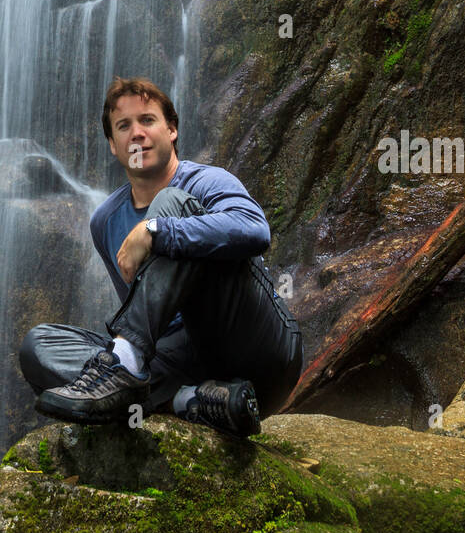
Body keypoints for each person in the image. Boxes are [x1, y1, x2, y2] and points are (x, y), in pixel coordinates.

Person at [19, 75, 303, 437]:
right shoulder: (105, 221)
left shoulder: (208, 181)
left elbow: (254, 230)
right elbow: (145, 314)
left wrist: (155, 232)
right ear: (112, 144)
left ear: (171, 131)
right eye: (124, 126)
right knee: (40, 345)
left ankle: (127, 371)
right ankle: (188, 401)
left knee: (168, 206)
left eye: (147, 120)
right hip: (189, 368)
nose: (136, 133)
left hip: (256, 347)